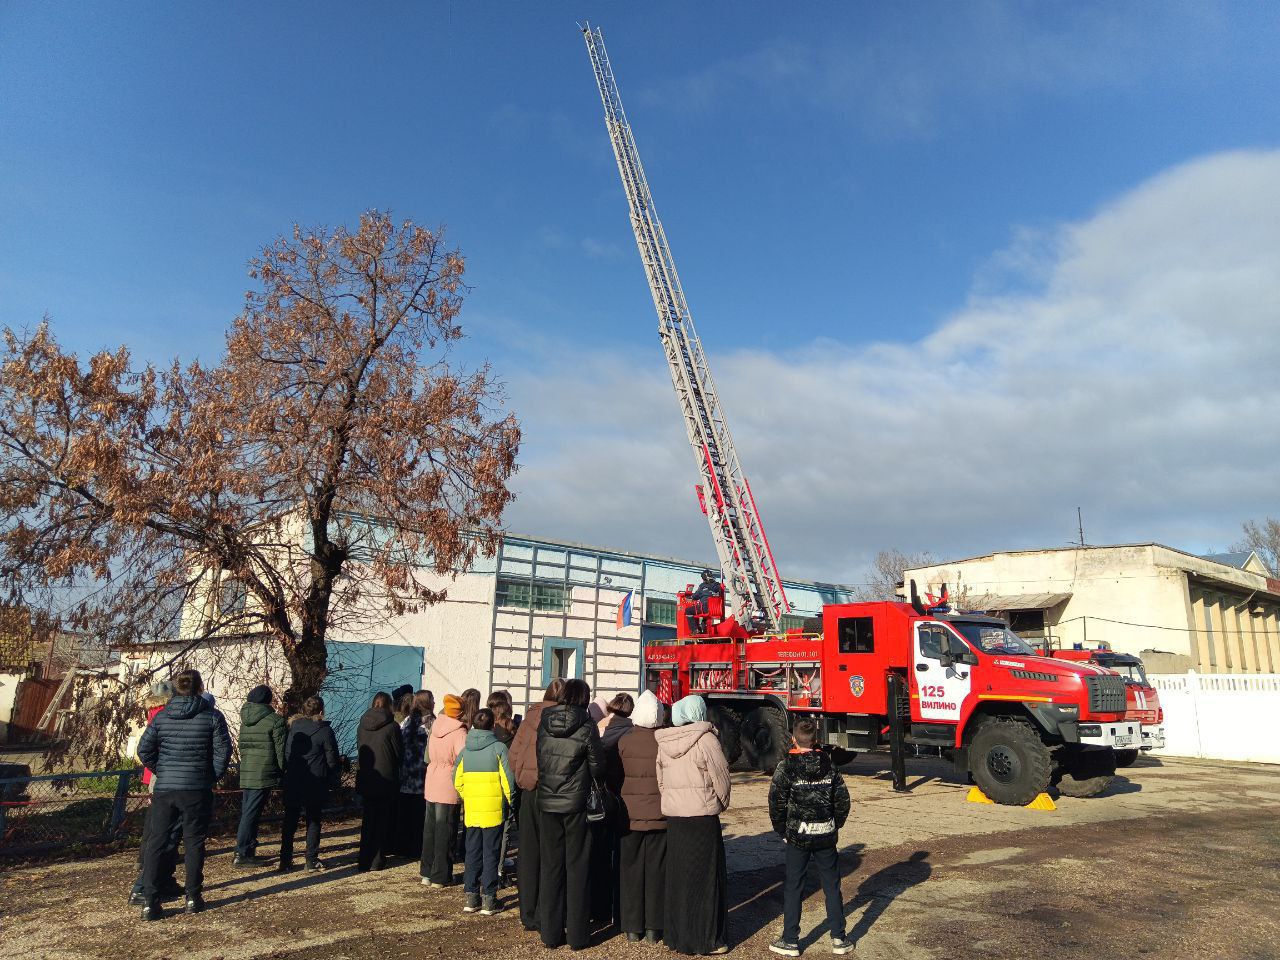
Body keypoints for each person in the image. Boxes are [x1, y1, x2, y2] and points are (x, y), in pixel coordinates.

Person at [136, 669, 231, 921]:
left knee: (157, 841)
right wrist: (210, 777)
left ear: (176, 688)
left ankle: (150, 901)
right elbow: (223, 751)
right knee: (194, 842)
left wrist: (163, 770)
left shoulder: (162, 716)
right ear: (200, 688)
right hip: (196, 788)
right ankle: (193, 897)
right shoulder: (212, 716)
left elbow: (144, 750)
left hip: (166, 788)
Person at [767, 718, 853, 957]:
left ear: (793, 739)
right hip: (826, 835)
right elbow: (843, 801)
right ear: (816, 740)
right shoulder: (830, 765)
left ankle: (790, 940)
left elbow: (776, 803)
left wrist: (782, 831)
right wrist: (834, 825)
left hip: (798, 836)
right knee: (831, 885)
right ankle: (839, 938)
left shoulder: (786, 767)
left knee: (794, 886)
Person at [655, 694, 731, 954]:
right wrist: (720, 803)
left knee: (678, 876)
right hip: (702, 817)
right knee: (705, 879)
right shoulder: (707, 739)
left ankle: (677, 936)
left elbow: (660, 779)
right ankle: (705, 939)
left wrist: (672, 801)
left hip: (676, 817)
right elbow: (721, 777)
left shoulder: (664, 741)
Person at [535, 678, 604, 951]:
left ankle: (550, 933)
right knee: (578, 868)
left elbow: (541, 758)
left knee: (551, 867)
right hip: (575, 804)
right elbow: (597, 767)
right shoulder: (587, 726)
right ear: (584, 699)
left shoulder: (543, 722)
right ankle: (577, 935)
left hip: (547, 802)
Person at [508, 677, 565, 932]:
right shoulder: (562, 718)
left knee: (528, 852)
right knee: (550, 853)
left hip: (528, 791)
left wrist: (522, 775)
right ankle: (545, 912)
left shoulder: (530, 716)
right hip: (552, 790)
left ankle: (527, 912)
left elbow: (513, 755)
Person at [616, 690, 667, 944]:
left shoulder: (624, 742)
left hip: (630, 816)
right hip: (660, 815)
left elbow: (615, 777)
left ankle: (632, 927)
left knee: (630, 871)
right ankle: (654, 927)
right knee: (657, 871)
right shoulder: (665, 742)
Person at [454, 707, 514, 915]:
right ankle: (489, 898)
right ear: (492, 725)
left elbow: (457, 780)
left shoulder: (465, 751)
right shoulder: (499, 749)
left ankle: (471, 897)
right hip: (494, 811)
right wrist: (511, 803)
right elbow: (508, 783)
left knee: (472, 852)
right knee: (491, 854)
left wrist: (469, 796)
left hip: (472, 810)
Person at [128, 681, 182, 906]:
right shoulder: (166, 715)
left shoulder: (154, 713)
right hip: (167, 777)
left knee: (160, 830)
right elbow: (150, 748)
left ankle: (160, 879)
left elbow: (146, 749)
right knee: (164, 833)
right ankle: (144, 886)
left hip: (160, 775)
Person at [279, 695, 340, 871]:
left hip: (293, 778)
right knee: (313, 820)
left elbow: (287, 754)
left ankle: (285, 859)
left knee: (290, 820)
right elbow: (332, 759)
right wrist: (331, 776)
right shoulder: (325, 730)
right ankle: (311, 859)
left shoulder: (294, 728)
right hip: (315, 780)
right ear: (321, 711)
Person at [590, 692, 634, 926]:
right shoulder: (631, 731)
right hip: (622, 794)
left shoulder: (599, 728)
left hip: (600, 795)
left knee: (600, 851)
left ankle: (599, 906)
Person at [234, 684, 286, 867]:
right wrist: (283, 772)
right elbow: (280, 751)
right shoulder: (275, 720)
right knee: (251, 814)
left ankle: (248, 850)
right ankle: (241, 853)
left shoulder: (245, 720)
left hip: (248, 770)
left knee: (249, 811)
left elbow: (242, 747)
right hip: (264, 771)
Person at [421, 693, 467, 887]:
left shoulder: (435, 726)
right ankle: (441, 876)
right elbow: (463, 759)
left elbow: (428, 755)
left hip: (432, 780)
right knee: (446, 830)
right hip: (448, 783)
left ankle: (426, 872)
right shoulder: (459, 732)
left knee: (430, 829)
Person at [355, 691, 403, 871]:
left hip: (366, 776)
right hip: (386, 777)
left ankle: (364, 859)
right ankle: (377, 859)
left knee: (367, 820)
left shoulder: (361, 725)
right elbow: (399, 753)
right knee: (382, 820)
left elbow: (360, 747)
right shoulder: (392, 727)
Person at [396, 690, 434, 859]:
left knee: (405, 814)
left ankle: (403, 846)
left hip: (406, 775)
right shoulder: (430, 723)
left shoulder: (407, 722)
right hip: (422, 775)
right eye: (432, 699)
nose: (434, 702)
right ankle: (415, 848)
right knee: (418, 816)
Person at [686, 570, 724, 636]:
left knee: (688, 611)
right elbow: (715, 591)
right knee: (705, 616)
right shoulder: (718, 585)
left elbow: (695, 596)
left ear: (703, 578)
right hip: (716, 609)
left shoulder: (702, 586)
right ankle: (704, 630)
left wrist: (690, 597)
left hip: (705, 608)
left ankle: (694, 630)